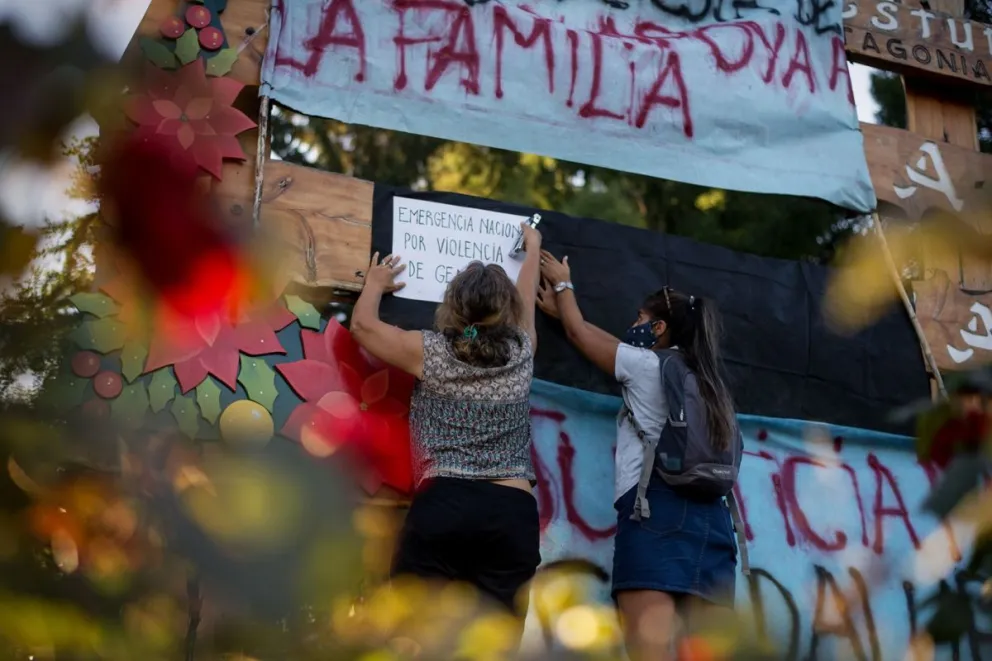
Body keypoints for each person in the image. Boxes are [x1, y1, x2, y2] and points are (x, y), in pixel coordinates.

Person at [536, 250, 739, 661]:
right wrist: (564, 311)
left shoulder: (646, 366)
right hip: (715, 526)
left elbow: (581, 336)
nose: (633, 327)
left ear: (660, 327)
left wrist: (563, 283)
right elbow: (605, 340)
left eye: (640, 320)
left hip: (656, 515)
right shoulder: (709, 379)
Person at [349, 222, 543, 630]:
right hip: (512, 513)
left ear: (453, 305)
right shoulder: (523, 352)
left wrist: (375, 282)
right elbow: (525, 308)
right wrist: (534, 250)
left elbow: (363, 327)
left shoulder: (430, 352)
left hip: (445, 505)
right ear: (506, 310)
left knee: (415, 637)